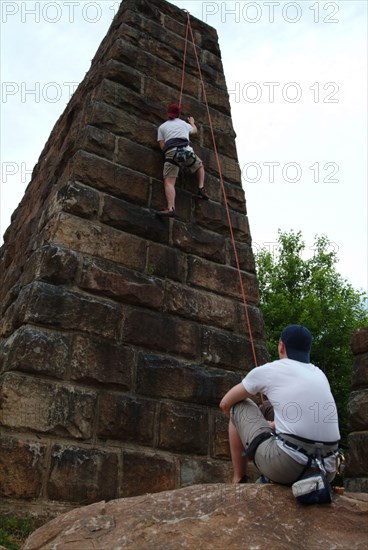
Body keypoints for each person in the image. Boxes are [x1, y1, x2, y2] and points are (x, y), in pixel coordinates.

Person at [219, 324, 340, 485]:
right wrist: (274, 425)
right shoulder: (319, 374)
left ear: (281, 346)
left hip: (289, 467)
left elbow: (225, 403)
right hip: (327, 470)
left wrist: (239, 422)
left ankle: (238, 479)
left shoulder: (270, 370)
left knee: (238, 405)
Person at [157, 103, 208, 216]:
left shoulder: (162, 127)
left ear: (168, 114)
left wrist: (169, 154)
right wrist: (192, 123)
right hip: (186, 151)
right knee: (199, 165)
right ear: (179, 114)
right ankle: (201, 187)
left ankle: (171, 208)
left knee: (169, 182)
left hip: (171, 153)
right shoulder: (184, 125)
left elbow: (162, 145)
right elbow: (195, 131)